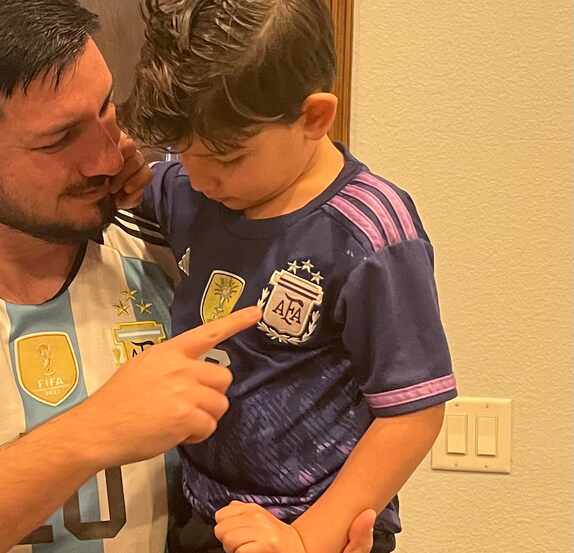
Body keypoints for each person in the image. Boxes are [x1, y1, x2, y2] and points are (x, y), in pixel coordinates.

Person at [0, 1, 377, 553]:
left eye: (107, 107)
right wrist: (92, 432)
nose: (111, 157)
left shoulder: (184, 259)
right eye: (59, 139)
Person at [120, 1, 458, 552]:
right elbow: (140, 182)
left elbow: (413, 415)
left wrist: (305, 539)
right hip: (201, 511)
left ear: (315, 117)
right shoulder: (189, 185)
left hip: (313, 527)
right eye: (183, 152)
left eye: (229, 158)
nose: (199, 177)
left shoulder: (370, 231)